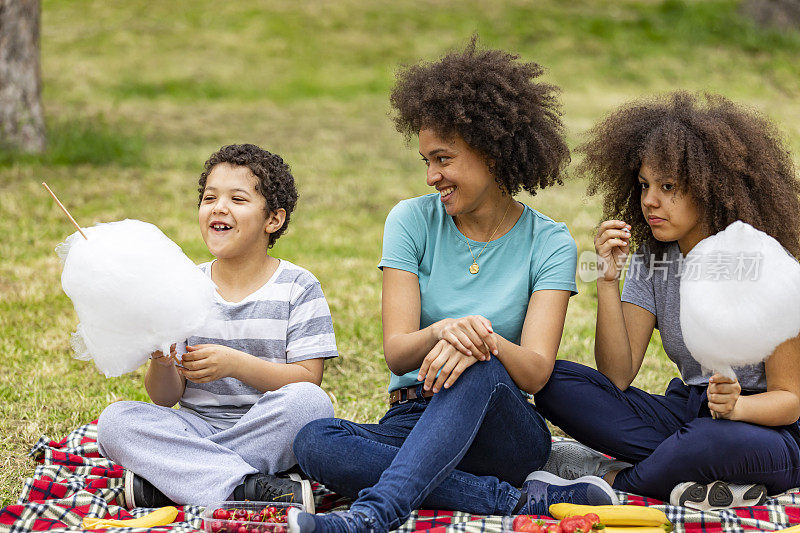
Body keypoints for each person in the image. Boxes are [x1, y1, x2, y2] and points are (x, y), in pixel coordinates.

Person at [287, 40, 618, 533]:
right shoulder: (410, 221)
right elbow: (399, 354)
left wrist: (480, 340)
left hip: (502, 427)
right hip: (413, 415)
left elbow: (532, 373)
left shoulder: (550, 242)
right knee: (315, 441)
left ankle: (372, 516)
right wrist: (445, 330)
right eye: (425, 160)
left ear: (490, 150)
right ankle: (517, 502)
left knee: (478, 364)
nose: (431, 176)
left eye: (442, 159)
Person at [534, 92, 800, 510]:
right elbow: (617, 375)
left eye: (668, 187)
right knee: (554, 382)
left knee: (707, 440)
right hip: (687, 414)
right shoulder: (653, 258)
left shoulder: (770, 266)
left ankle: (610, 478)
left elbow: (789, 402)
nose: (649, 201)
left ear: (712, 188)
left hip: (765, 431)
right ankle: (693, 477)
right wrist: (607, 280)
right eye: (644, 185)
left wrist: (736, 409)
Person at [96, 144, 338, 510]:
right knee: (115, 423)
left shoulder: (298, 287)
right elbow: (165, 399)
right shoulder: (183, 288)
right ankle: (247, 488)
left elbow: (308, 378)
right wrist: (162, 364)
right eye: (210, 198)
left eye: (237, 199)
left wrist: (235, 364)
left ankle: (175, 481)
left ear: (273, 219)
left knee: (311, 405)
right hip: (196, 428)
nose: (219, 207)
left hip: (268, 428)